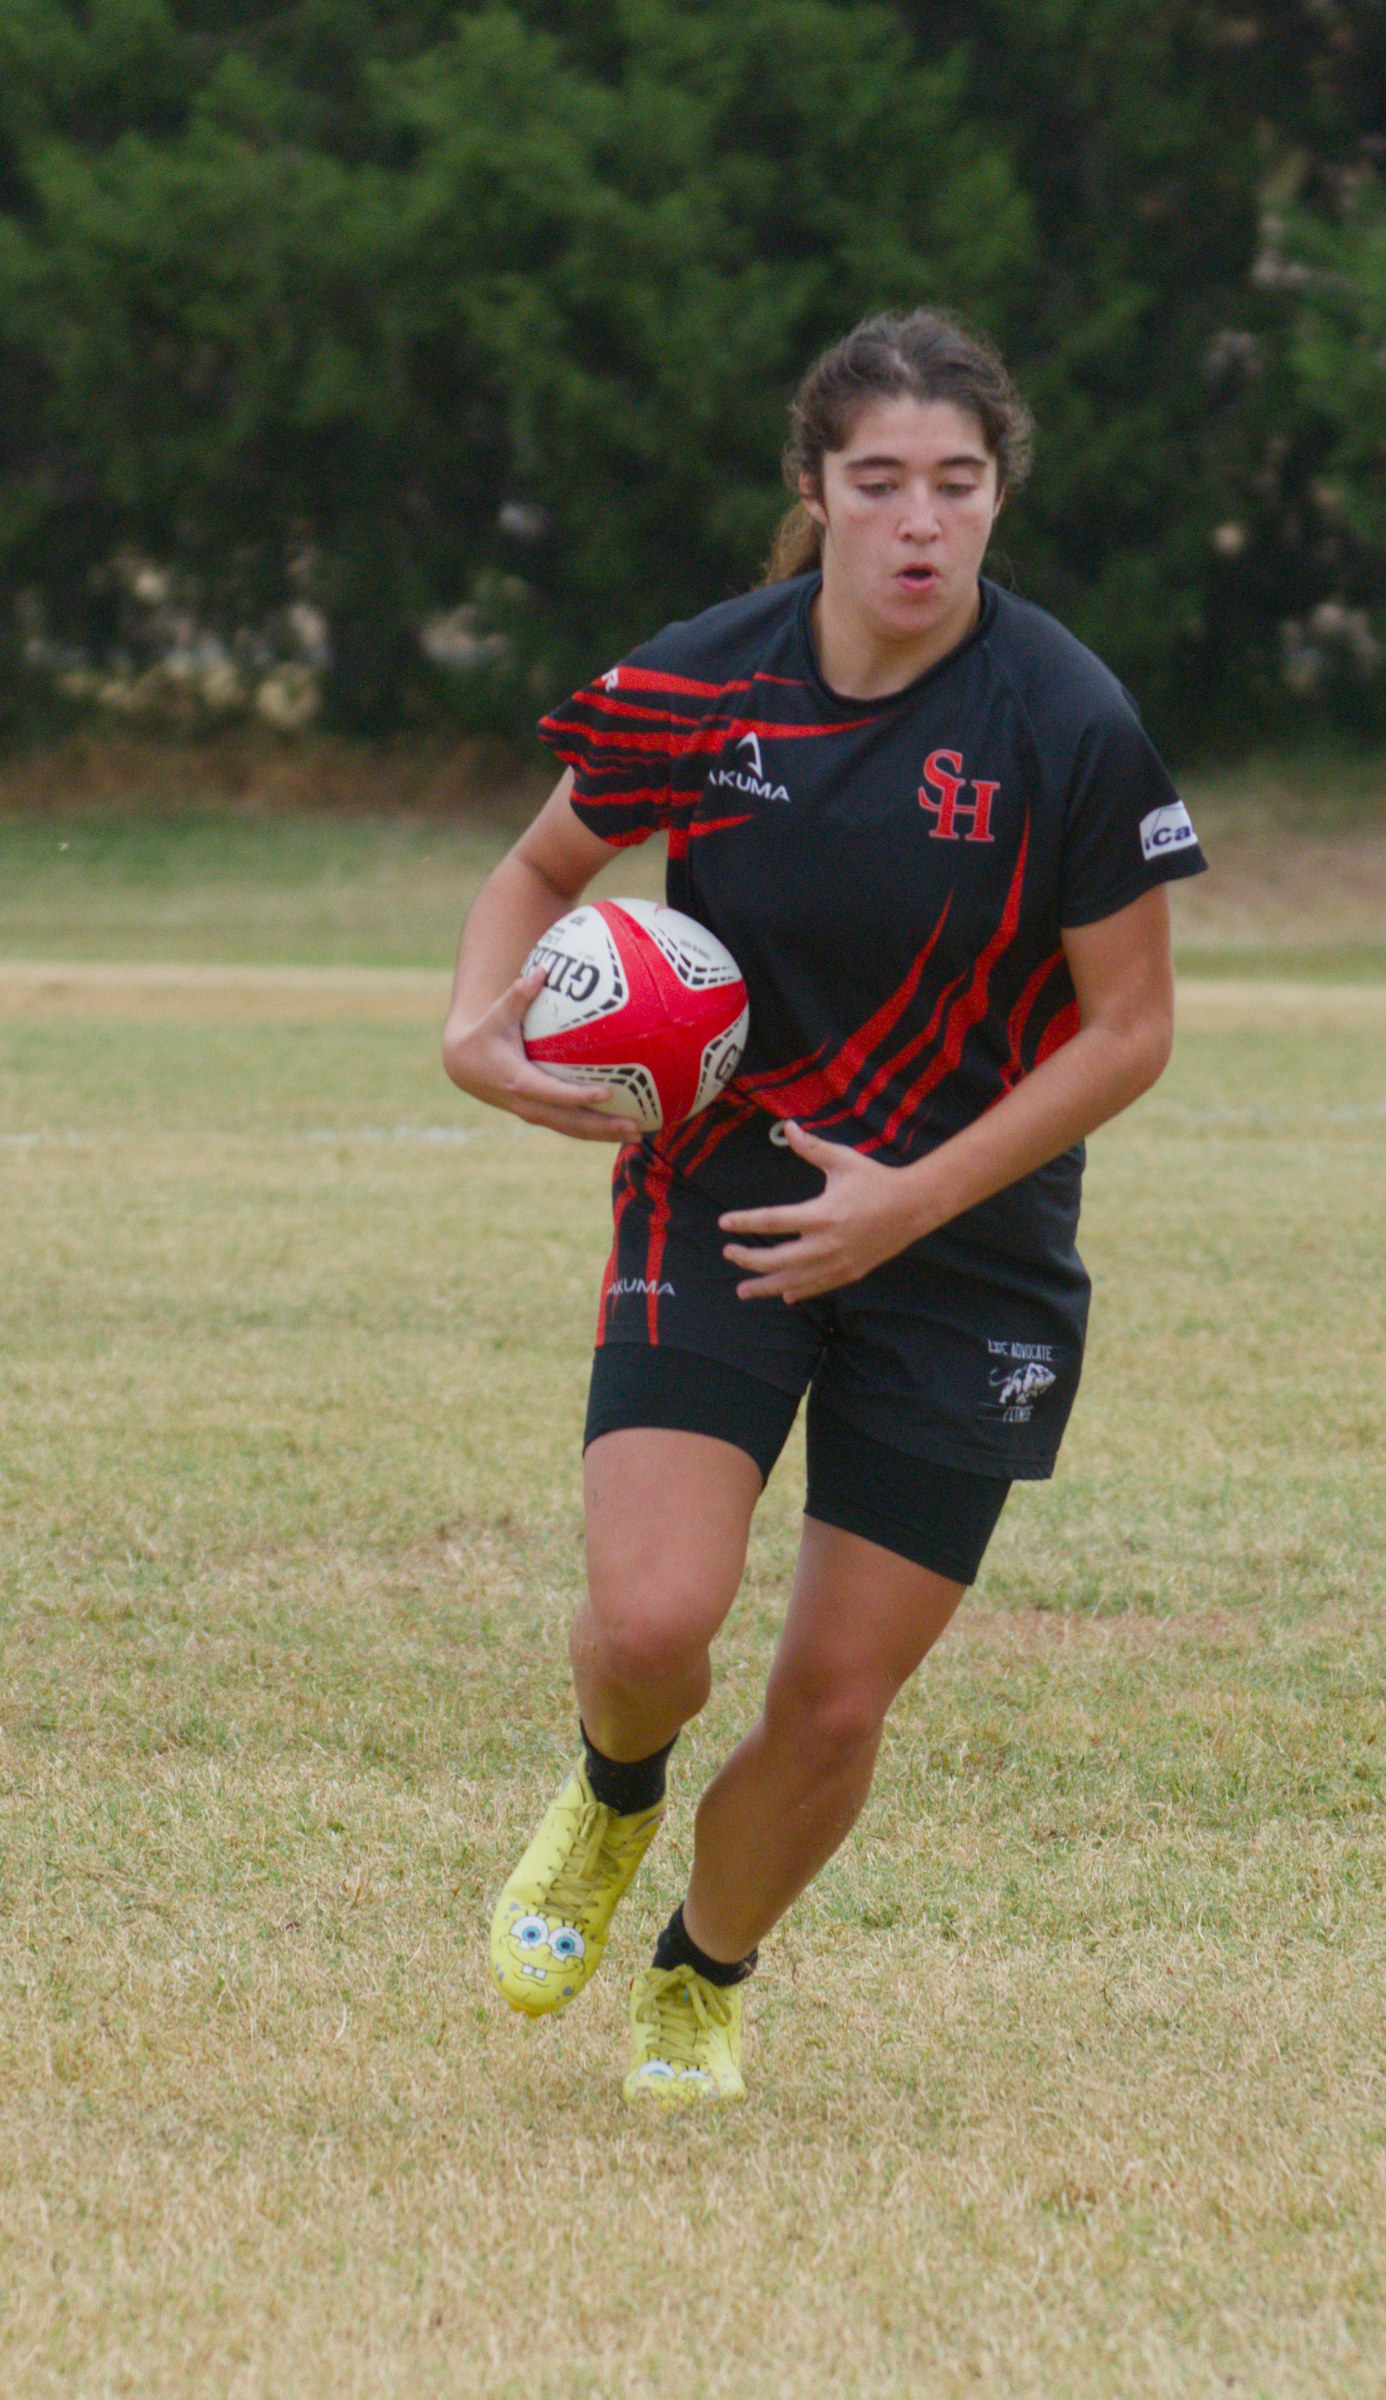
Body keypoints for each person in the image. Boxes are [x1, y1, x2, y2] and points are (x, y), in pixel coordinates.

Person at [442, 308, 1205, 2107]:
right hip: (723, 1191)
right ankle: (614, 1793)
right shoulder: (709, 680)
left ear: (999, 492)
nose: (922, 521)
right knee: (651, 1627)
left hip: (969, 1244)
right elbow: (542, 865)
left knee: (838, 1699)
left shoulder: (1066, 719)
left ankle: (702, 1975)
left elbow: (1132, 1030)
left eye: (959, 482)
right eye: (880, 483)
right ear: (817, 488)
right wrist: (477, 1031)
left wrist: (910, 1203)